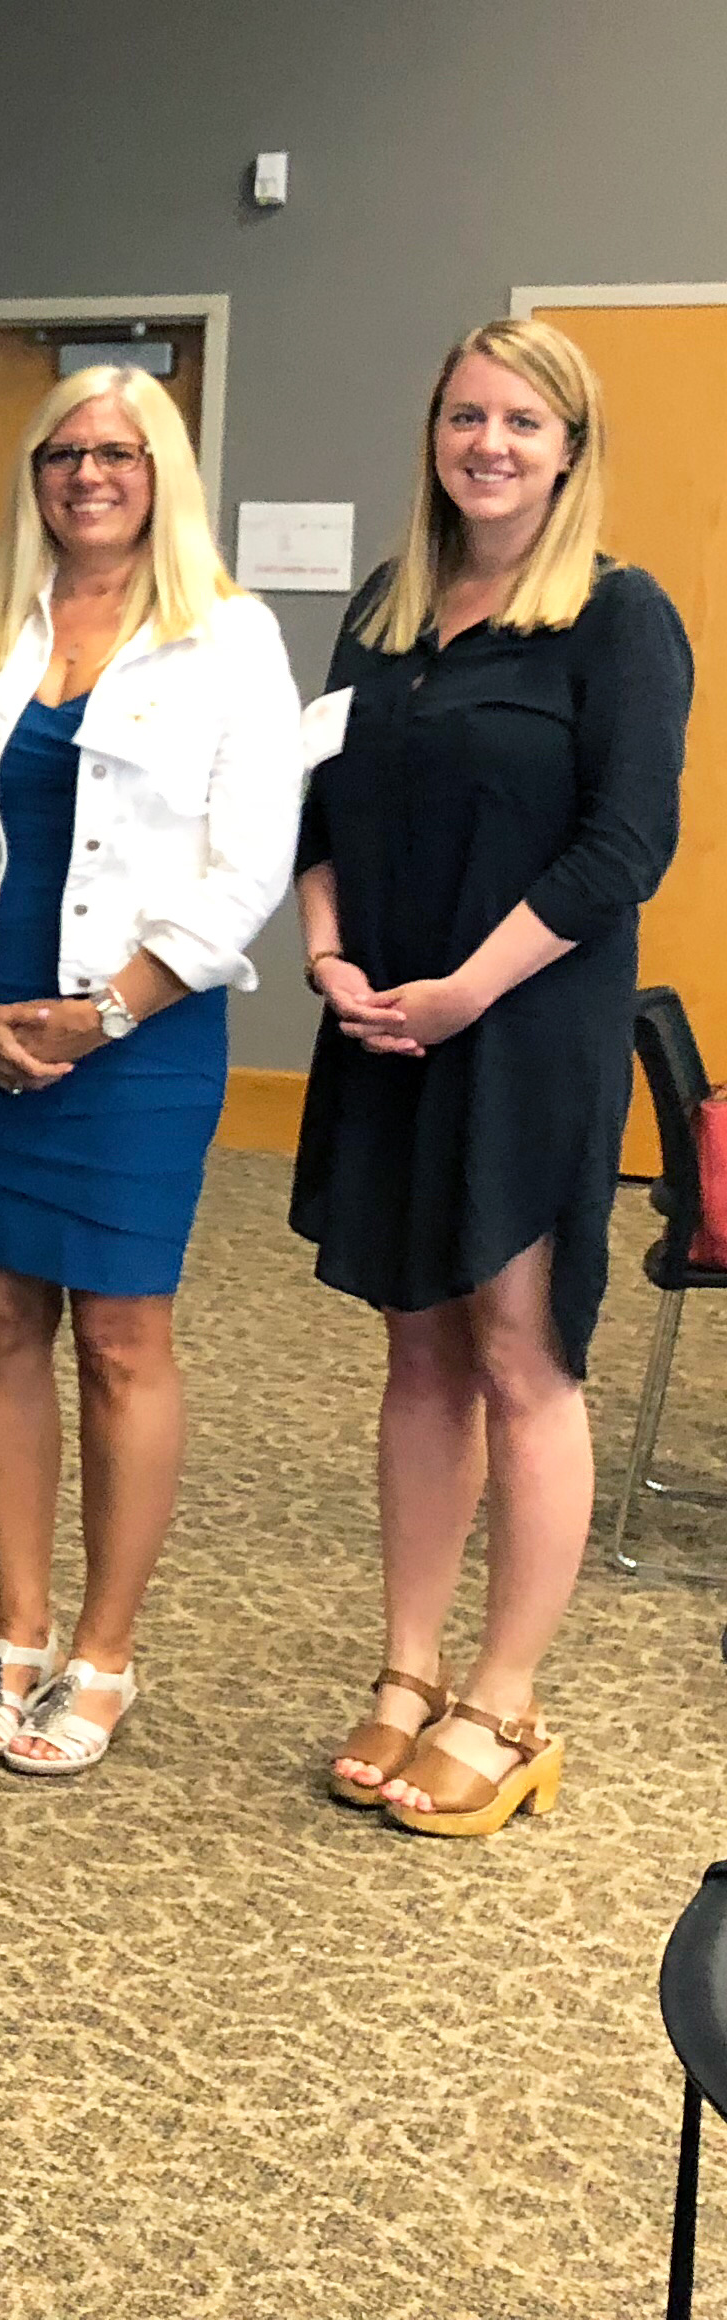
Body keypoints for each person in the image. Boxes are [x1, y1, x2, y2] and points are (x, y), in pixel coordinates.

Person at [0, 366, 298, 1780]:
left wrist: (104, 1014)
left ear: (162, 470)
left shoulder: (228, 639)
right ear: (35, 475)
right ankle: (17, 1630)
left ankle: (105, 1651)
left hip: (143, 1036)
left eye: (119, 451)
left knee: (121, 1340)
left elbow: (252, 862)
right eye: (64, 452)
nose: (90, 475)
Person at [301, 318, 689, 1837]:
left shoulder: (616, 616)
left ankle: (506, 1698)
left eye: (524, 423)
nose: (491, 446)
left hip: (520, 1029)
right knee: (417, 1353)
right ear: (435, 436)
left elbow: (623, 846)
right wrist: (332, 959)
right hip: (386, 1022)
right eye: (467, 417)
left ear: (569, 447)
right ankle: (408, 1671)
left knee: (522, 1357)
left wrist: (469, 987)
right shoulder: (386, 611)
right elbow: (312, 803)